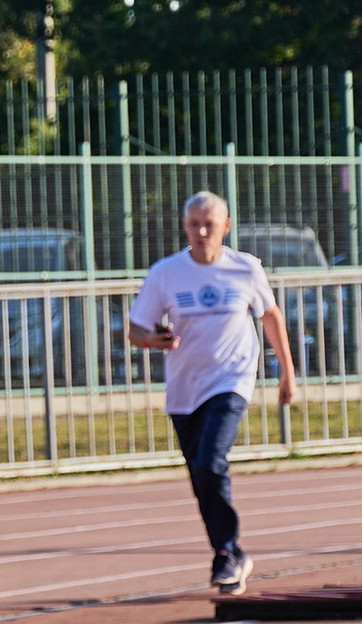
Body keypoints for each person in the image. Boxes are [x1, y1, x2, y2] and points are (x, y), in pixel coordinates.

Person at [125, 189, 298, 598]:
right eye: (194, 225)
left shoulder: (245, 268)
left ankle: (225, 552)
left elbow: (270, 316)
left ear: (226, 226)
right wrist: (152, 340)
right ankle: (230, 552)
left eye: (209, 224)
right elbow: (135, 329)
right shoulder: (166, 273)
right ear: (184, 227)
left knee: (211, 460)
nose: (202, 232)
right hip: (185, 389)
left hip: (231, 379)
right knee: (201, 475)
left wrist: (287, 372)